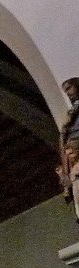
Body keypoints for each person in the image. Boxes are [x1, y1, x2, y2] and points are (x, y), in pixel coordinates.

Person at [58, 77, 79, 222]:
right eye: (65, 91)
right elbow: (64, 137)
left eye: (69, 89)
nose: (68, 94)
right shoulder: (71, 113)